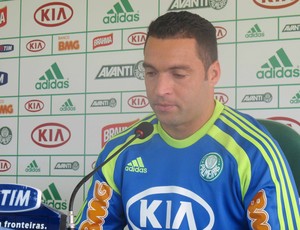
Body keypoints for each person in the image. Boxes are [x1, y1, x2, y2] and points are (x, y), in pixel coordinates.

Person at [75, 11, 300, 229]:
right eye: (151, 73)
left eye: (178, 74)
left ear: (213, 74)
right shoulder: (123, 148)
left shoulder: (253, 151)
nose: (161, 90)